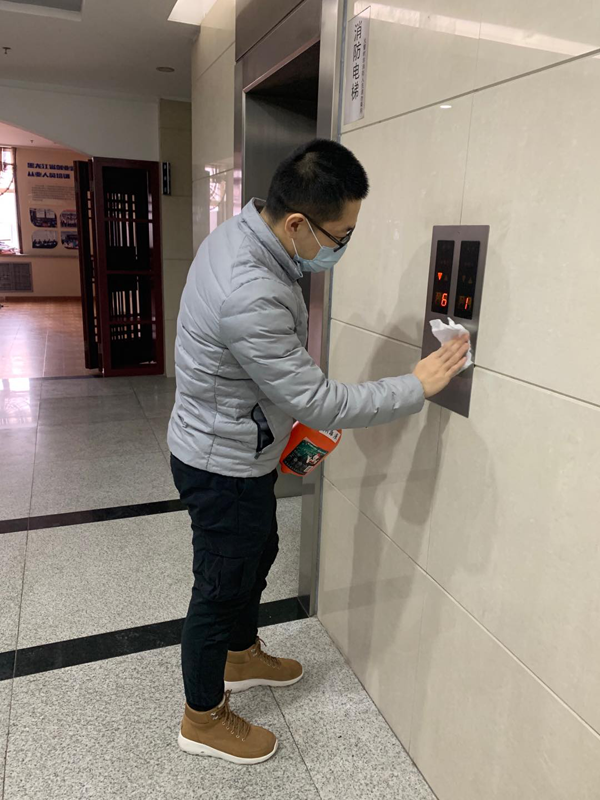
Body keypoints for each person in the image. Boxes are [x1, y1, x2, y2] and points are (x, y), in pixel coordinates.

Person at [168, 139, 469, 766]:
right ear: (298, 223)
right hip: (220, 463)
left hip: (237, 444)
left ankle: (239, 656)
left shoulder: (247, 236)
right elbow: (319, 401)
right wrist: (414, 386)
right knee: (220, 585)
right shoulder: (249, 290)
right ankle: (202, 717)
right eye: (341, 236)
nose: (342, 247)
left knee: (259, 551)